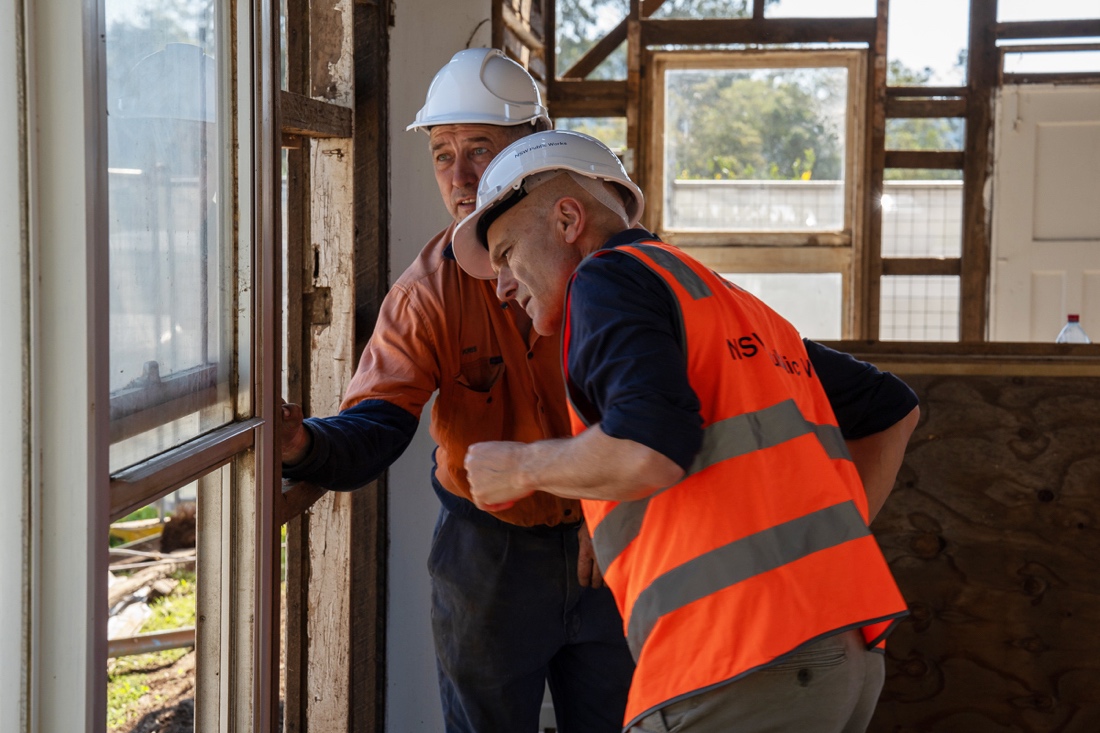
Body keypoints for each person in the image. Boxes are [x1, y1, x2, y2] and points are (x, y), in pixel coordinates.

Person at [454, 129, 921, 733]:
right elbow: (891, 409)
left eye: (507, 254)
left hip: (736, 660)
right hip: (839, 656)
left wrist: (520, 468)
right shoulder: (723, 299)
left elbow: (649, 449)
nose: (503, 286)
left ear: (568, 218)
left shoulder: (605, 281)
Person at [279, 48, 636, 733]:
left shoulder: (607, 262)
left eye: (481, 148)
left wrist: (613, 508)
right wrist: (303, 443)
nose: (463, 176)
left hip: (608, 538)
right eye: (443, 154)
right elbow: (378, 425)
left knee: (625, 721)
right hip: (489, 557)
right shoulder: (428, 292)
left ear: (533, 149)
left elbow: (652, 408)